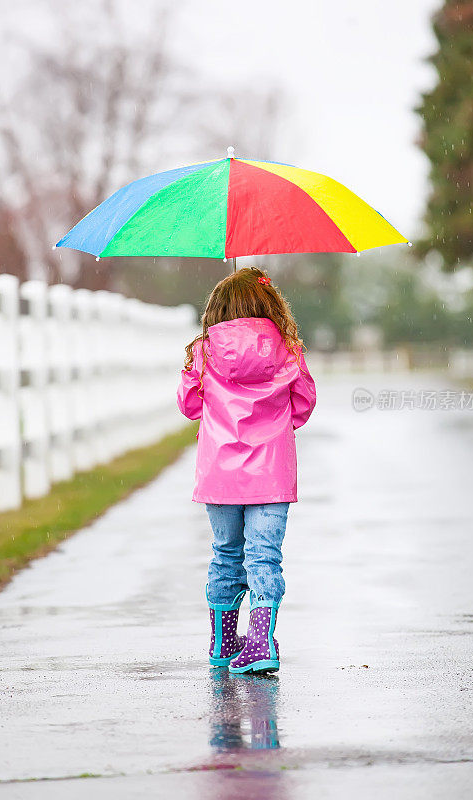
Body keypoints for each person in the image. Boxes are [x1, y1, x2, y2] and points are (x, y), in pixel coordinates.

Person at [176, 266, 316, 674]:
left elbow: (189, 406)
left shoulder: (205, 351)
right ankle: (260, 644)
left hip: (219, 475)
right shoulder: (286, 349)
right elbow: (303, 406)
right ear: (269, 305)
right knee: (264, 559)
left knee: (225, 555)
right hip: (271, 475)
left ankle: (222, 643)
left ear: (217, 310)